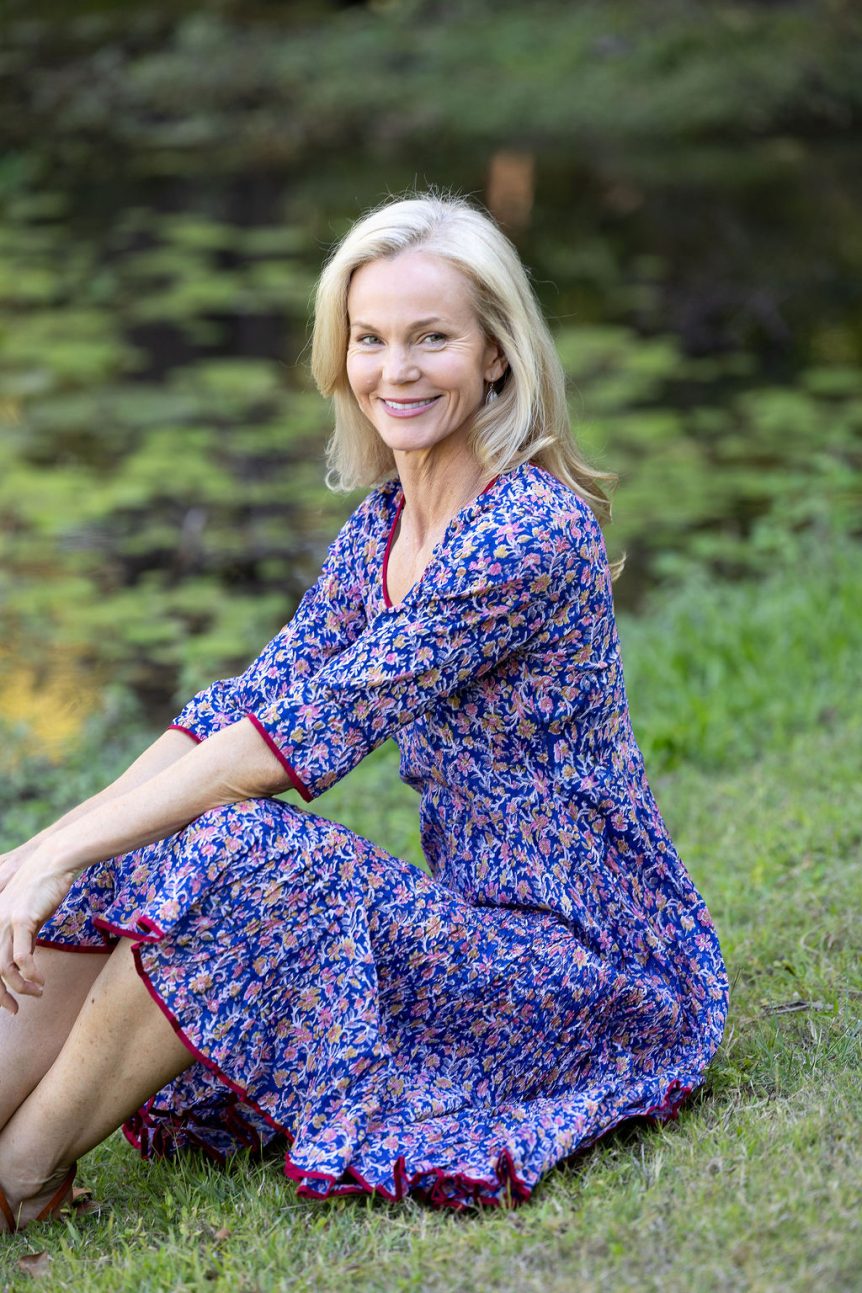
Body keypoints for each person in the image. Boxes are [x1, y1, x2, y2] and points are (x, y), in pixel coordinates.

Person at [0, 191, 728, 1226]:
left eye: (431, 338)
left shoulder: (526, 533)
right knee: (140, 825)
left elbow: (298, 738)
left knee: (242, 847)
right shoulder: (383, 525)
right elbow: (247, 702)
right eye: (370, 338)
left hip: (588, 978)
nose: (395, 369)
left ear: (495, 354)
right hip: (471, 927)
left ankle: (24, 1173)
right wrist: (40, 852)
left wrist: (61, 855)